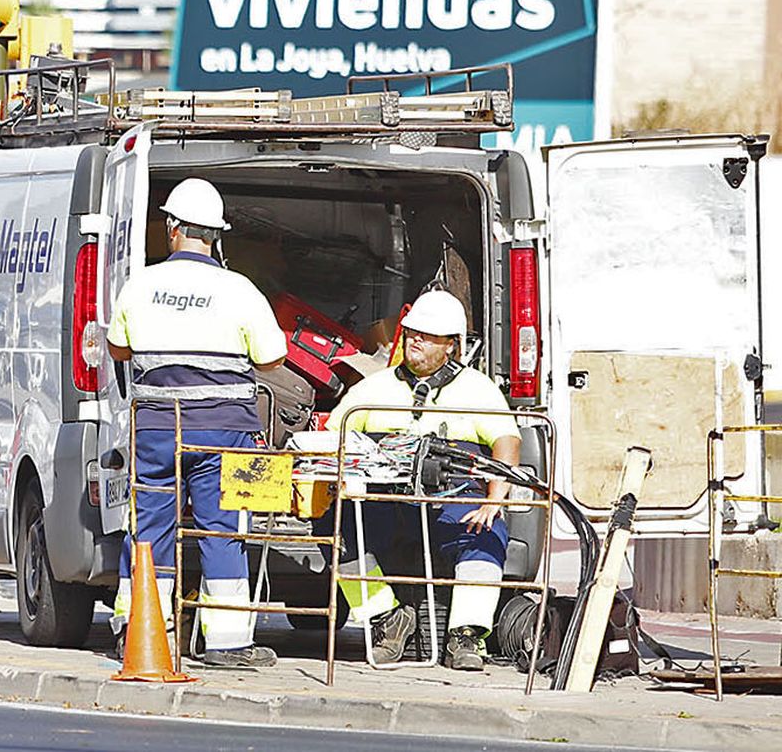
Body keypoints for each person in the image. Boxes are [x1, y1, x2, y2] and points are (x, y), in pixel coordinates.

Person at [106, 178, 288, 669]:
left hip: (158, 432)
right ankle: (228, 642)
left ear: (172, 229)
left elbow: (117, 348)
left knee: (148, 529)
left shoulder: (140, 284)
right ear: (215, 236)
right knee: (223, 529)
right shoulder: (239, 290)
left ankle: (141, 633)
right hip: (224, 432)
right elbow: (273, 357)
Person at [325, 290, 521, 671]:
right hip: (386, 499)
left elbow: (506, 441)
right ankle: (386, 618)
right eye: (412, 331)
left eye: (428, 336)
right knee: (337, 530)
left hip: (451, 495)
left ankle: (466, 636)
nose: (415, 339)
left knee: (487, 532)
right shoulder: (373, 388)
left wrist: (494, 500)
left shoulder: (477, 388)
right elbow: (333, 435)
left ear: (451, 345)